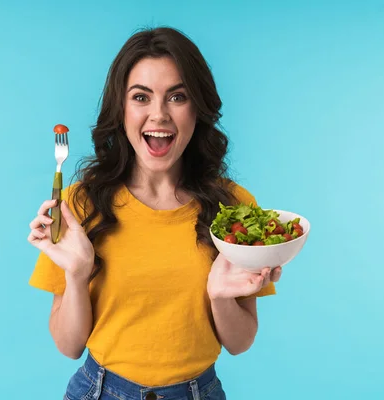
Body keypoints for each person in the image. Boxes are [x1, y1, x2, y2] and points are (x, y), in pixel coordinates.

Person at [27, 26, 282, 400]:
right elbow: (69, 346)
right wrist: (77, 275)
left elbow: (240, 342)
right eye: (141, 97)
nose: (158, 114)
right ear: (121, 108)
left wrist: (219, 296)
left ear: (198, 108)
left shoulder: (234, 208)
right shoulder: (79, 203)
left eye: (177, 97)